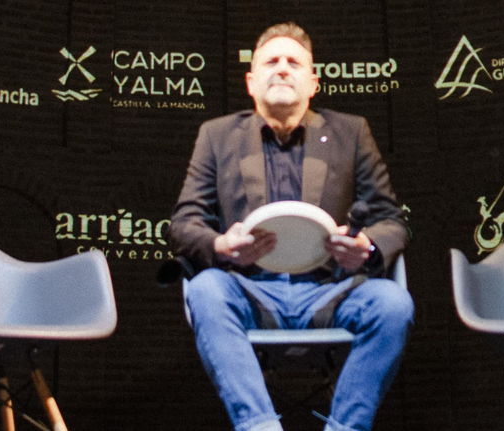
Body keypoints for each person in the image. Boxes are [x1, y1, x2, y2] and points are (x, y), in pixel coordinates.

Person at [170, 24, 413, 431]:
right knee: (206, 289)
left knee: (393, 304)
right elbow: (184, 224)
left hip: (331, 291)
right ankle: (261, 427)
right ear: (251, 81)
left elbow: (392, 220)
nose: (282, 69)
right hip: (249, 292)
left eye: (293, 62)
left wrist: (366, 246)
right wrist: (222, 244)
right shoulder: (216, 136)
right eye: (271, 62)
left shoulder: (351, 133)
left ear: (313, 81)